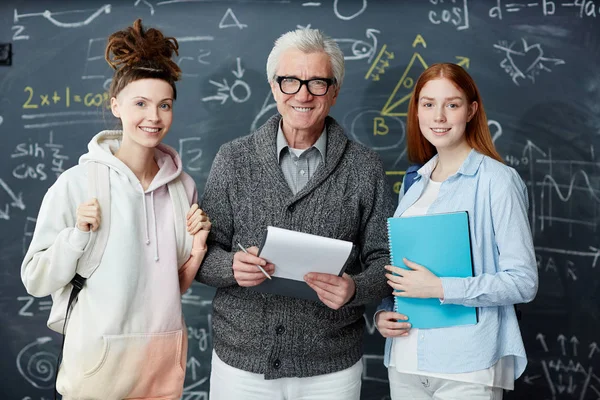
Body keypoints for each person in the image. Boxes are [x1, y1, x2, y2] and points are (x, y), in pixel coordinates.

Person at [197, 28, 395, 400]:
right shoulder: (233, 158)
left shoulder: (365, 167)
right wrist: (230, 268)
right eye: (290, 81)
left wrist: (356, 288)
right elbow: (203, 254)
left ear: (334, 92)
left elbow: (385, 258)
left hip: (331, 368)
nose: (303, 94)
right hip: (242, 364)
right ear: (274, 87)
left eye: (317, 82)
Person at [21, 19, 211, 400]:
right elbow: (34, 279)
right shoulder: (77, 184)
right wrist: (76, 238)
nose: (153, 117)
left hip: (161, 377)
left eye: (164, 105)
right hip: (96, 377)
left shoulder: (182, 188)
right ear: (116, 106)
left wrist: (198, 251)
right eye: (140, 103)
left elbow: (167, 288)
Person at [375, 63, 539, 399]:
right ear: (416, 111)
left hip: (468, 366)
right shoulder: (413, 183)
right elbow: (402, 267)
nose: (439, 117)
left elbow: (523, 281)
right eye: (428, 104)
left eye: (452, 104)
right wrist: (384, 312)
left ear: (471, 110)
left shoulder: (497, 181)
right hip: (405, 359)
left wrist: (440, 287)